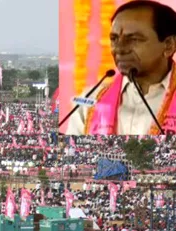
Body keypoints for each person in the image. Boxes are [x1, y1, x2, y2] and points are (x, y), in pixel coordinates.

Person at [65, 0, 176, 136]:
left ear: (169, 45)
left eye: (134, 39)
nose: (119, 49)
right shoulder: (88, 102)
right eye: (114, 39)